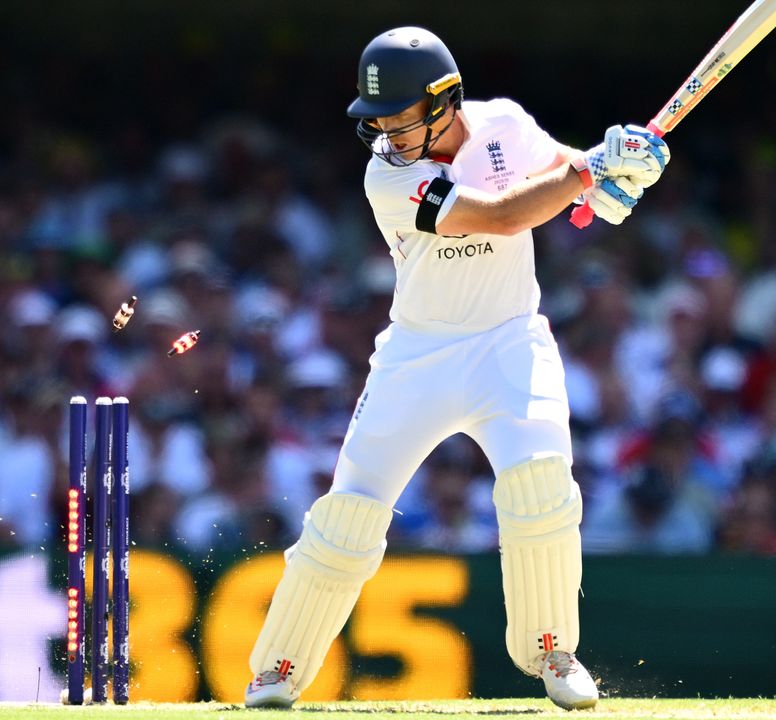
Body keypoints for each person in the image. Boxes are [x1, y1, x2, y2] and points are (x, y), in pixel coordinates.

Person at [242, 26, 668, 711]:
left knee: (541, 487)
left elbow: (567, 177)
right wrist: (590, 173)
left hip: (510, 343)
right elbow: (502, 216)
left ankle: (553, 651)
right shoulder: (387, 175)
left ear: (444, 100)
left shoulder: (505, 124)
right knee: (348, 517)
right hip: (418, 355)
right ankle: (277, 670)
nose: (386, 132)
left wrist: (620, 176)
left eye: (400, 116)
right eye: (378, 119)